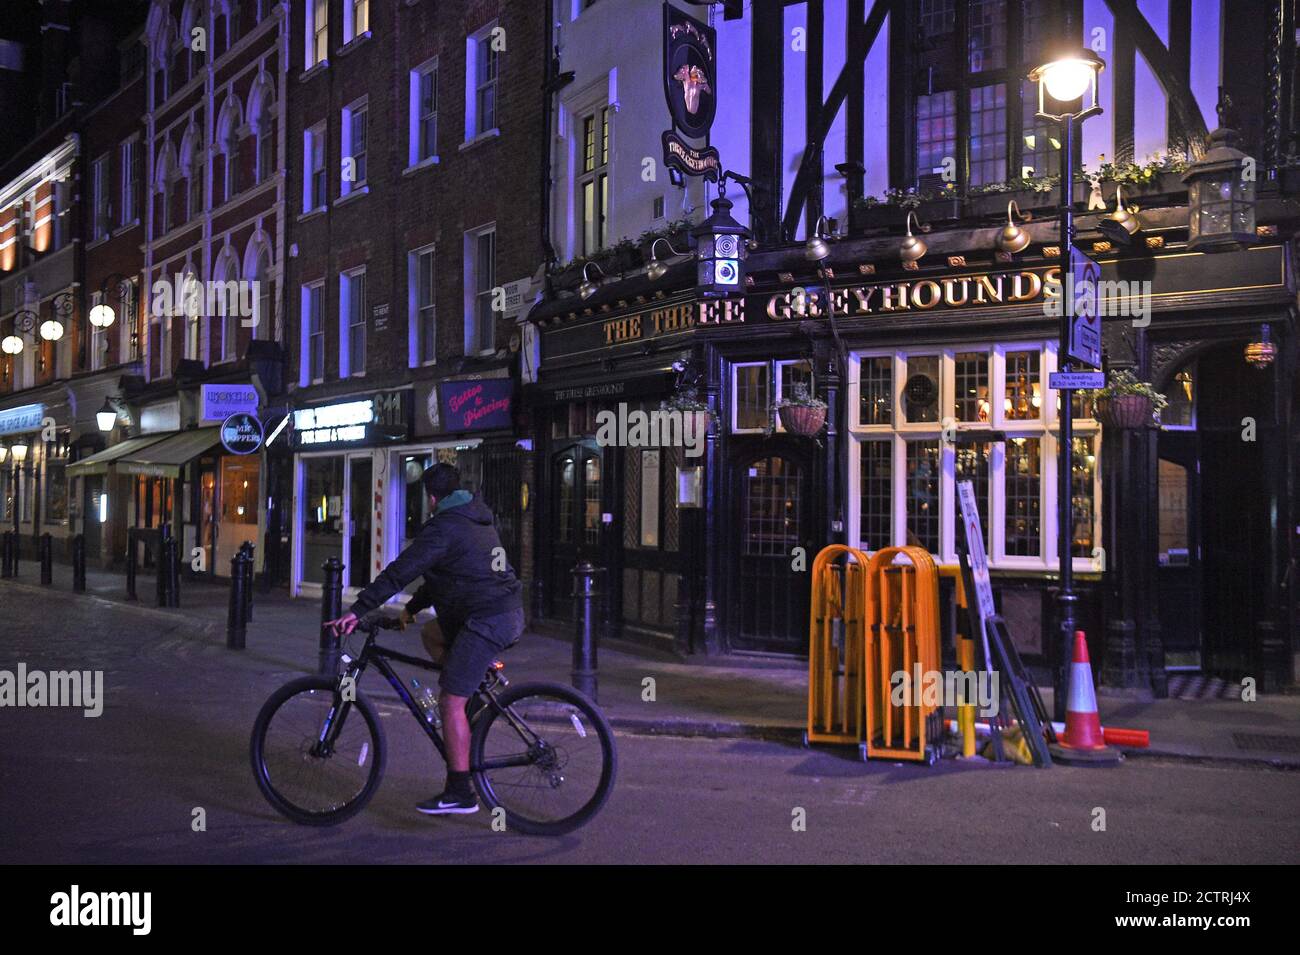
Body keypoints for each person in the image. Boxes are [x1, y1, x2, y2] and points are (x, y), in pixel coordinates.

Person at [326, 463, 524, 816]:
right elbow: (443, 578)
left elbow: (402, 571)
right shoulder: (475, 517)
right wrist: (410, 611)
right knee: (433, 633)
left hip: (488, 619)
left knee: (450, 700)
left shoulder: (444, 528)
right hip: (499, 611)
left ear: (432, 498)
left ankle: (460, 792)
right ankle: (471, 693)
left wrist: (357, 609)